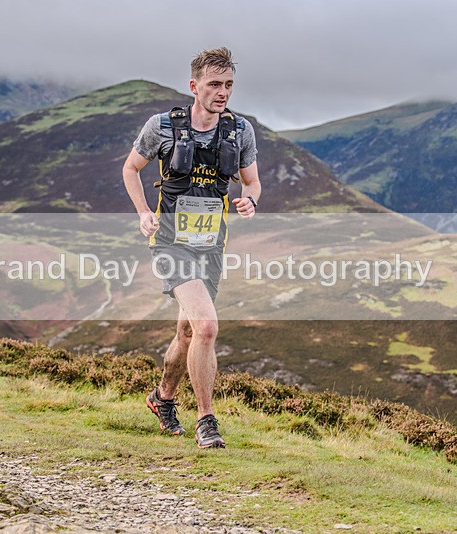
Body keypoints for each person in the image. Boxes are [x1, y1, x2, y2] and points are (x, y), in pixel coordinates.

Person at [122, 47, 261, 448]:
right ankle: (207, 421)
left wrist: (251, 198)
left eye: (229, 85)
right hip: (169, 242)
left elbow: (252, 181)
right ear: (194, 86)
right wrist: (143, 211)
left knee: (186, 333)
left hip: (210, 245)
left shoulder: (240, 131)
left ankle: (162, 398)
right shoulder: (162, 126)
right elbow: (130, 168)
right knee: (207, 326)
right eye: (215, 84)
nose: (223, 93)